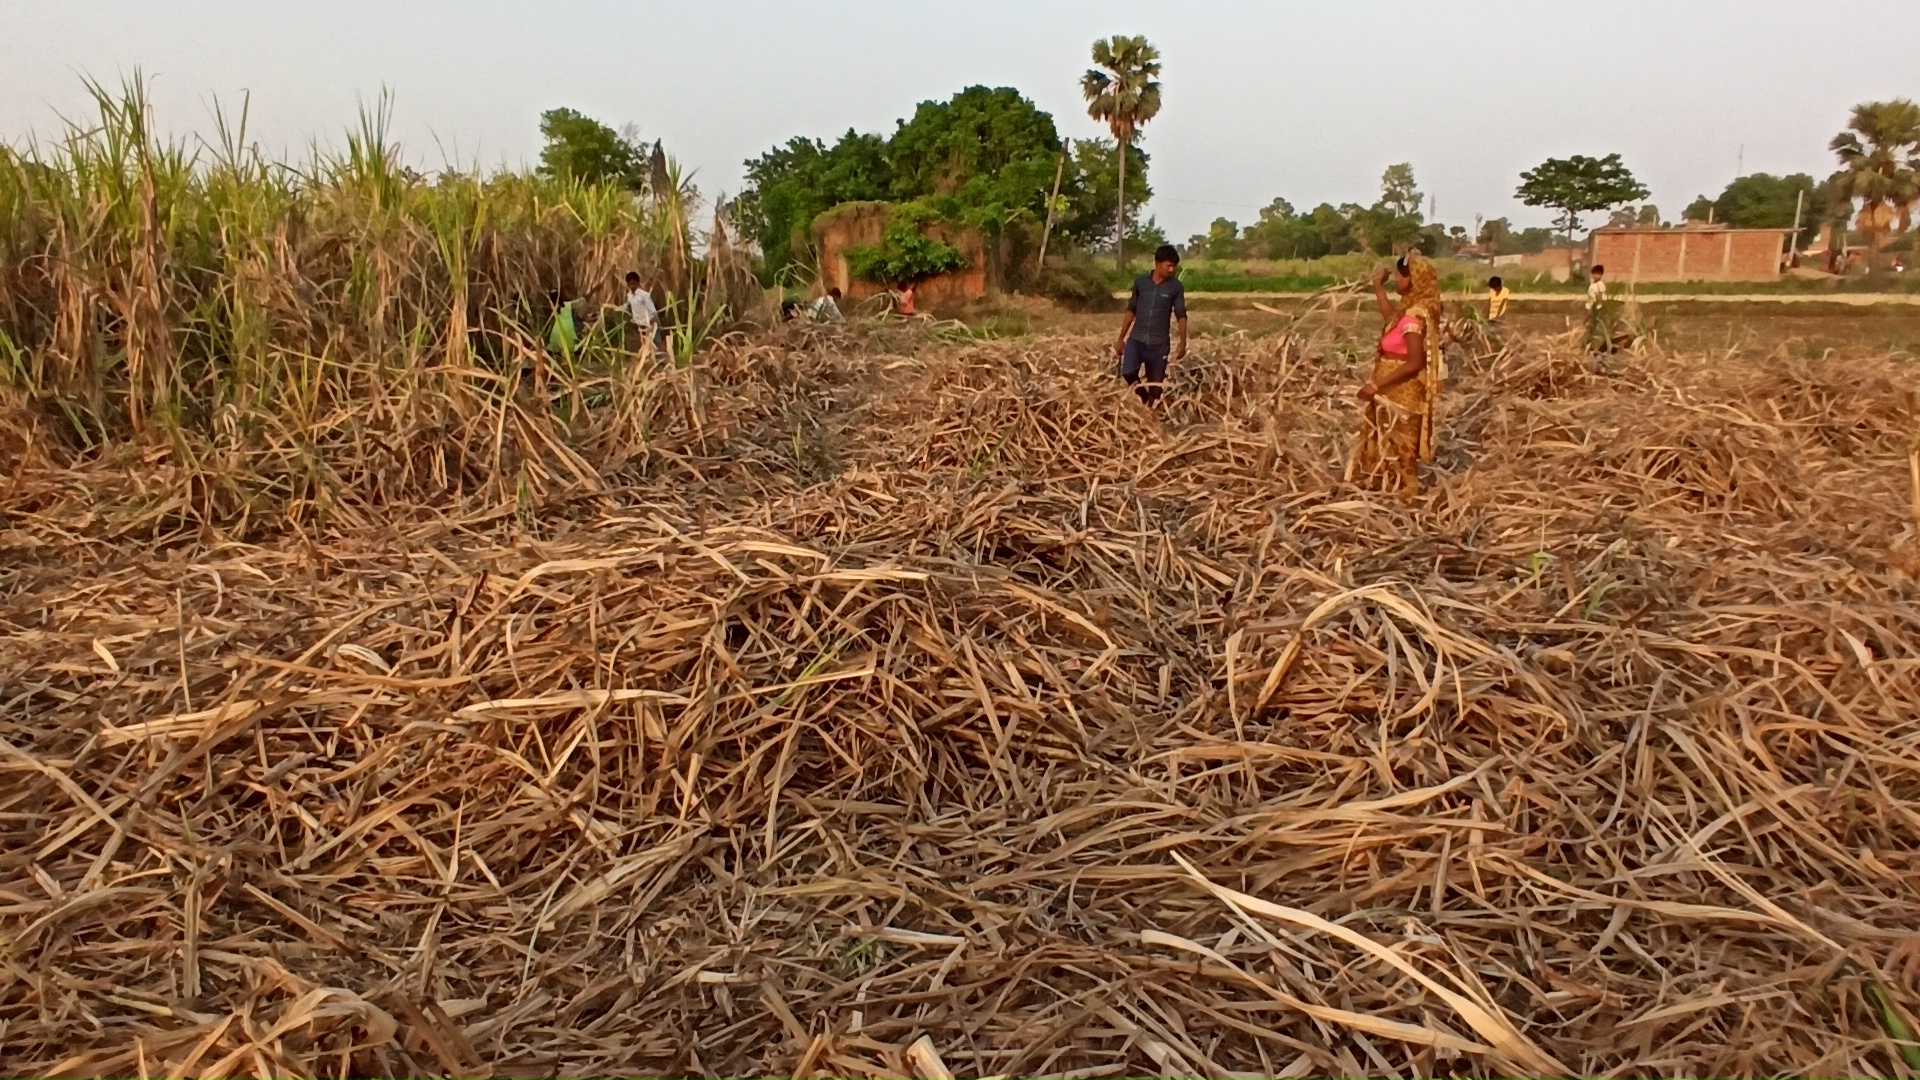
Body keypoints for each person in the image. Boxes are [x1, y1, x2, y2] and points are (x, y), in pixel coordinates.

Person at [1349, 253, 1443, 499]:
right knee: (1387, 440)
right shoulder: (1407, 312)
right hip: (1390, 387)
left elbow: (1414, 362)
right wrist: (1378, 288)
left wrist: (1375, 385)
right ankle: (1389, 490)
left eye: (1401, 275)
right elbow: (1391, 320)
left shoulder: (1415, 315)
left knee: (1402, 444)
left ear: (1413, 279)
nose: (1397, 280)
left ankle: (1409, 496)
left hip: (1402, 390)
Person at [1115, 244, 1189, 407]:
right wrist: (1121, 338)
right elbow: (1131, 310)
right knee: (1128, 372)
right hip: (1137, 340)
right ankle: (1142, 396)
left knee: (1156, 389)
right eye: (1168, 265)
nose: (1172, 270)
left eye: (1174, 266)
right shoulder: (1141, 283)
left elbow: (1181, 315)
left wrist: (1183, 342)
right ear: (1157, 263)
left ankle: (1151, 415)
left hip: (1159, 344)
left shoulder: (1176, 287)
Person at [624, 271, 661, 352]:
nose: (632, 285)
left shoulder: (644, 295)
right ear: (628, 285)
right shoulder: (629, 295)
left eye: (634, 283)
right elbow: (627, 306)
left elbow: (652, 310)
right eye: (630, 284)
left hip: (650, 324)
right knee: (644, 347)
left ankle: (662, 362)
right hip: (640, 325)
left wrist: (654, 322)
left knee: (656, 346)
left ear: (638, 282)